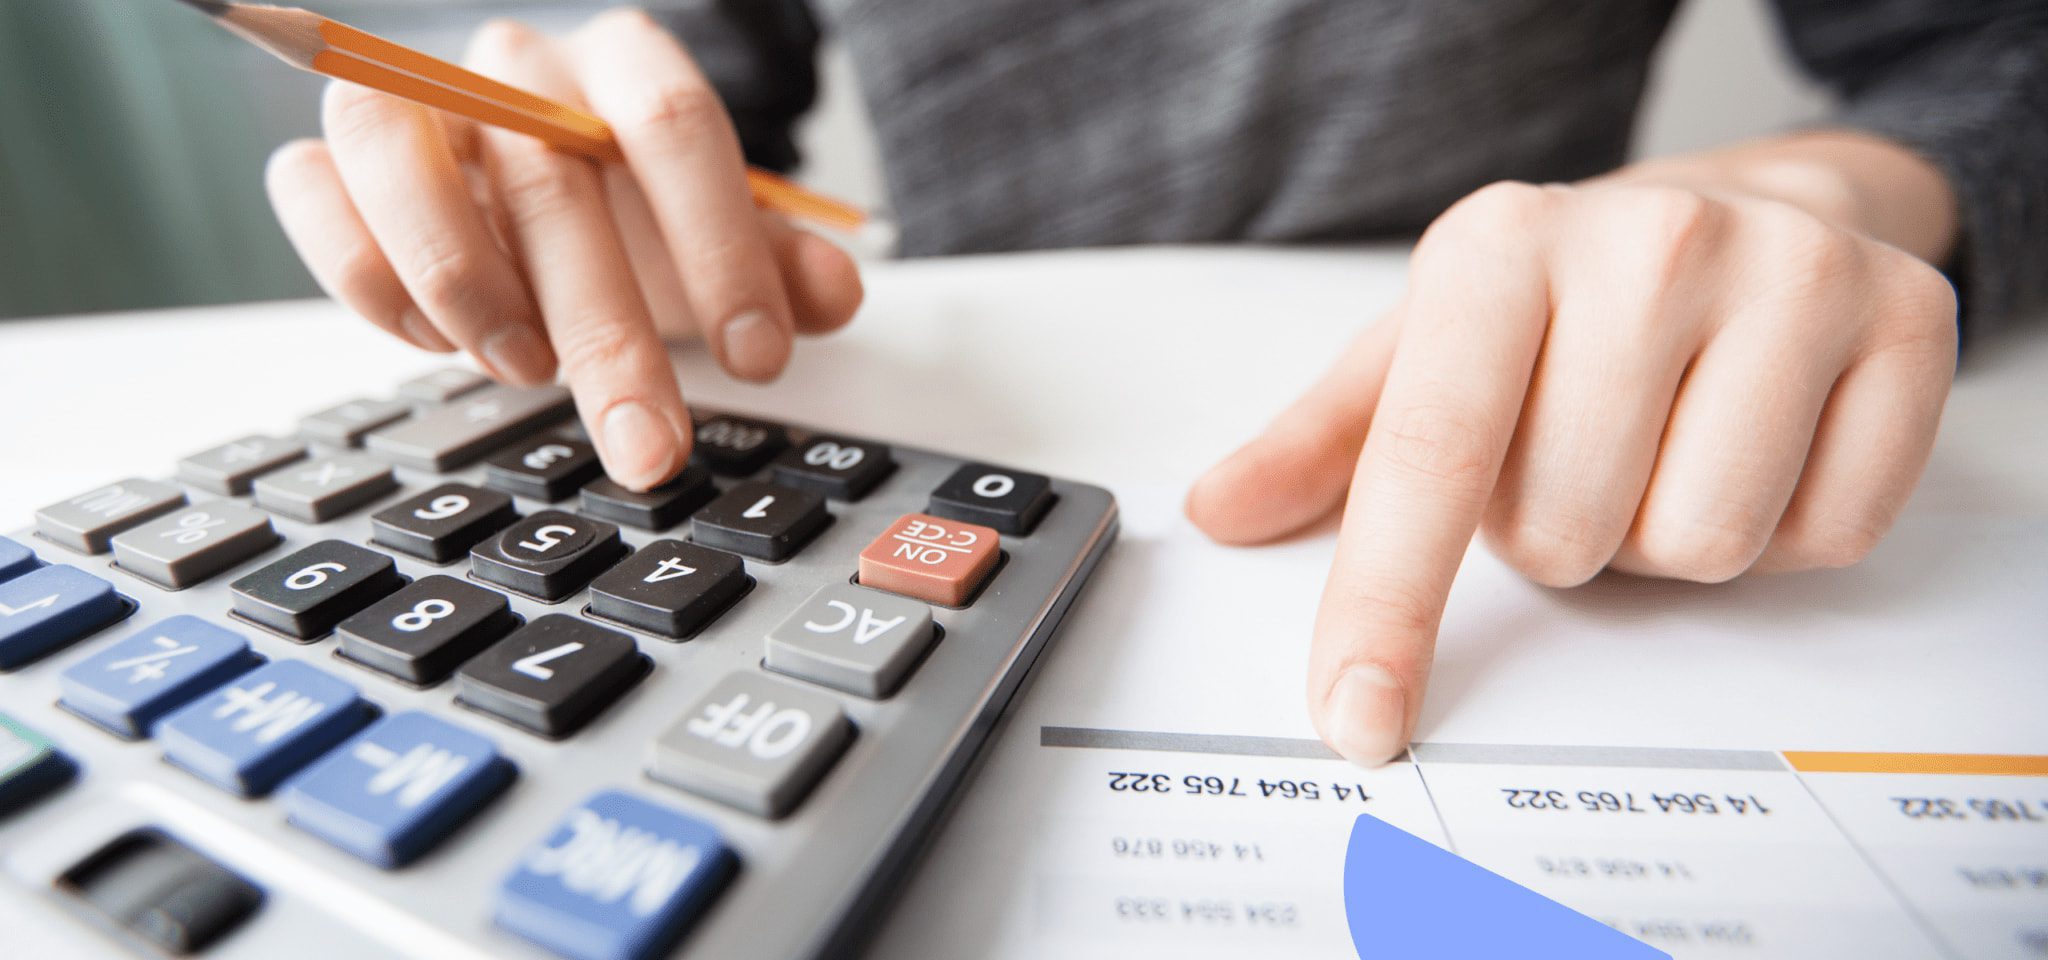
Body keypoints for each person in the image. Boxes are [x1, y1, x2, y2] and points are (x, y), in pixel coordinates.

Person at [263, 1, 2047, 765]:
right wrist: (594, 169)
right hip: (944, 416)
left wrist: (1831, 190)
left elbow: (1988, 55)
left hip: (1542, 402)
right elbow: (692, 86)